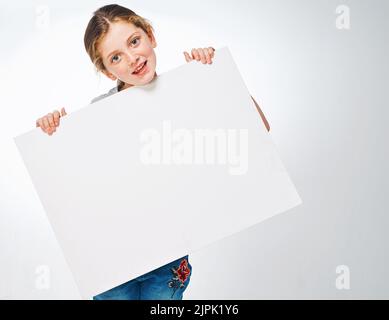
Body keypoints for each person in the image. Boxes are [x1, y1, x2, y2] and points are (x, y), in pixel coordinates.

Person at [35, 4, 270, 300]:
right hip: (111, 263)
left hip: (167, 257)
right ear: (108, 72)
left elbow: (259, 128)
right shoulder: (98, 115)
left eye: (134, 42)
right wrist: (51, 130)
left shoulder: (188, 91)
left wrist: (220, 79)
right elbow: (78, 183)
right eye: (115, 57)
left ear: (150, 36)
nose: (132, 58)